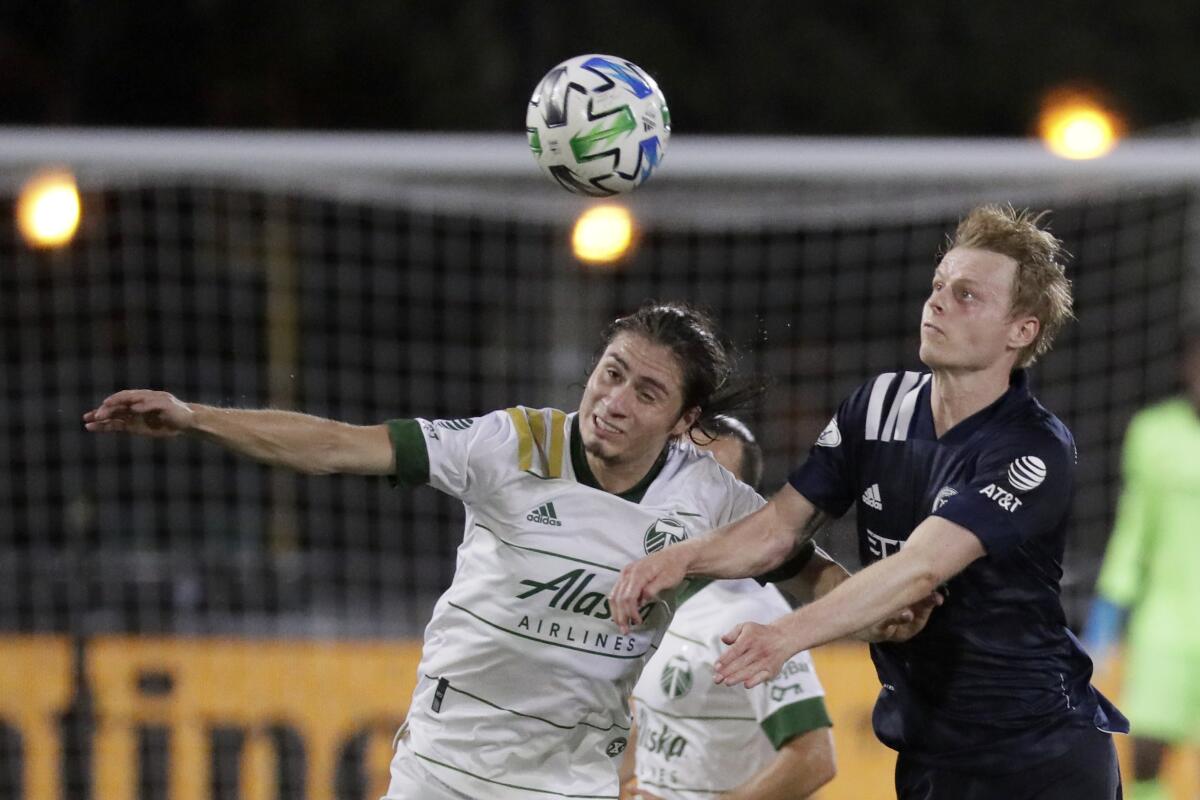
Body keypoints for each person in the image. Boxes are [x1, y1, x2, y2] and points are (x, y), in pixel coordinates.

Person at [83, 302, 783, 800]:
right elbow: (337, 445)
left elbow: (813, 571)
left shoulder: (711, 499)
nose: (614, 400)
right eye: (611, 372)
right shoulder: (509, 443)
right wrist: (196, 418)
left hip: (567, 785)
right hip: (440, 771)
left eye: (647, 390)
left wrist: (892, 606)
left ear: (686, 420)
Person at [610, 205, 1129, 800]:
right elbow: (780, 527)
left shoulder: (1031, 448)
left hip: (1039, 755)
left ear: (1021, 331)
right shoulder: (878, 405)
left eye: (967, 296)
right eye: (938, 286)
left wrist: (785, 635)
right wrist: (679, 558)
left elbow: (919, 568)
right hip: (930, 752)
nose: (936, 302)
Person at [620, 415, 836, 800]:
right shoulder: (667, 594)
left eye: (714, 484)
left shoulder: (752, 616)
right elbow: (660, 722)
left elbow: (814, 758)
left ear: (742, 508)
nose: (693, 495)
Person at [1082, 326, 1200, 800]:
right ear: (1186, 366)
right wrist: (1105, 620)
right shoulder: (1153, 432)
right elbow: (1134, 532)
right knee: (1146, 745)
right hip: (1165, 623)